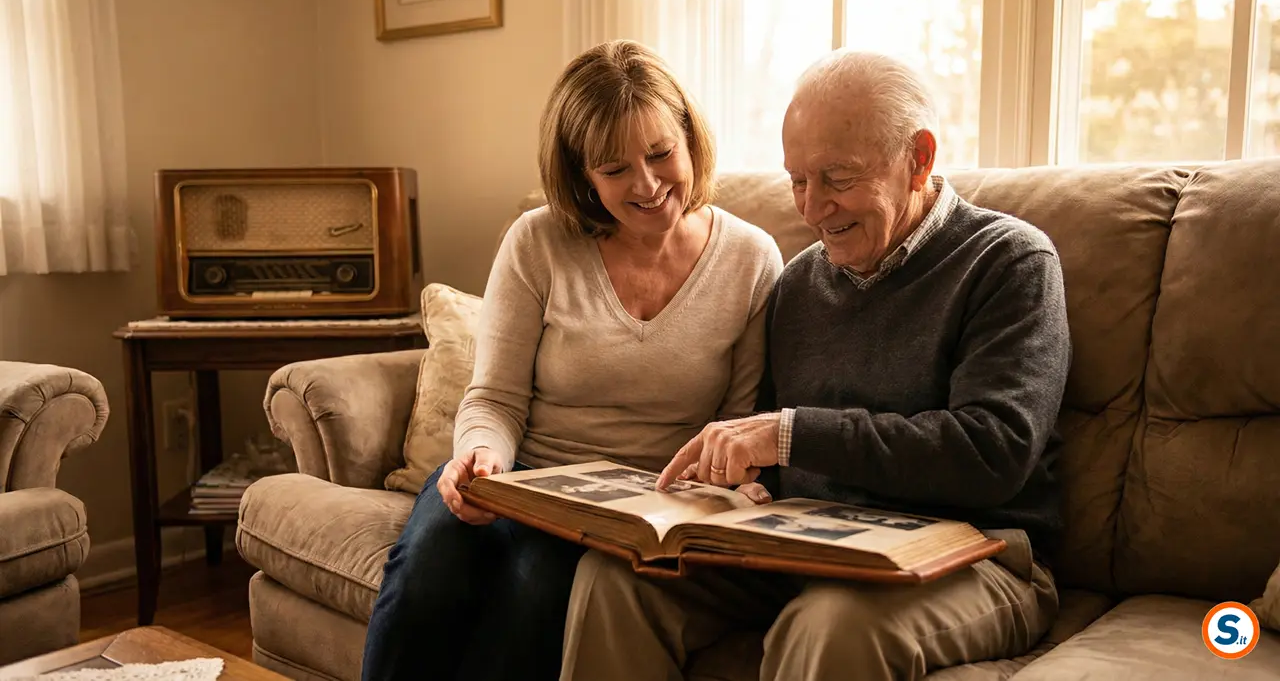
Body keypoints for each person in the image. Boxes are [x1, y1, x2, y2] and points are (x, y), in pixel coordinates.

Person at [558, 50, 1071, 681]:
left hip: (974, 555)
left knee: (831, 620)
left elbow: (994, 453)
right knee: (616, 578)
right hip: (809, 546)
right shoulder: (799, 285)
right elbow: (763, 445)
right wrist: (739, 488)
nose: (811, 207)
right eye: (798, 180)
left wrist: (788, 434)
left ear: (919, 160)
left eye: (837, 177)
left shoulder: (1009, 262)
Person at [360, 40, 784, 681]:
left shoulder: (752, 260)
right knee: (428, 565)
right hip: (519, 476)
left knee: (536, 590)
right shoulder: (538, 241)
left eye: (662, 153)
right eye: (614, 169)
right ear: (583, 174)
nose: (646, 184)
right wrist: (482, 457)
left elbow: (735, 422)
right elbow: (494, 399)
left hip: (639, 506)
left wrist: (717, 489)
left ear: (691, 139)